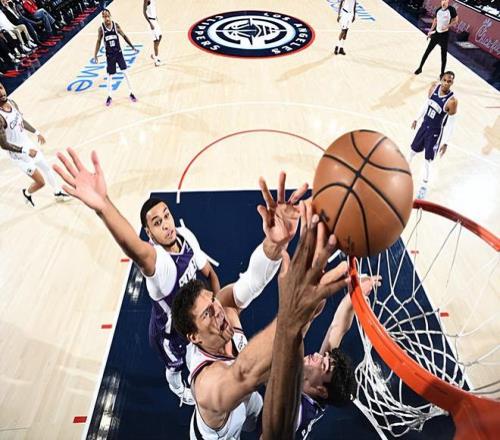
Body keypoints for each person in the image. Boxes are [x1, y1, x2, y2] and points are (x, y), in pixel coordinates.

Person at [172, 182, 350, 439]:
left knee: (258, 397)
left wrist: (275, 244)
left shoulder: (225, 311)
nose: (218, 310)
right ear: (194, 337)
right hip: (223, 431)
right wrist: (295, 310)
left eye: (212, 302)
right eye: (207, 314)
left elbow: (252, 281)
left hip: (248, 402)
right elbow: (244, 373)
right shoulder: (208, 385)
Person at [52, 148, 220, 405]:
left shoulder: (185, 236)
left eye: (166, 216)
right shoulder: (159, 264)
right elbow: (132, 245)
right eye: (157, 223)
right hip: (169, 333)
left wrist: (216, 305)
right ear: (149, 233)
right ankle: (178, 389)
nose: (166, 225)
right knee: (174, 366)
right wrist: (103, 206)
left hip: (192, 322)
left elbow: (209, 272)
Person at [0, 82, 68, 206]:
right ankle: (27, 193)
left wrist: (36, 132)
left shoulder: (12, 102)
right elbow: (4, 145)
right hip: (18, 154)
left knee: (46, 168)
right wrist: (26, 151)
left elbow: (21, 120)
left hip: (28, 145)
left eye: (0, 88)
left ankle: (57, 192)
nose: (1, 92)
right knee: (41, 183)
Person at [409, 71, 458, 199]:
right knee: (412, 150)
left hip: (435, 132)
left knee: (428, 160)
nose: (446, 83)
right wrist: (416, 118)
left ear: (452, 83)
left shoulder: (452, 102)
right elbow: (426, 104)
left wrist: (446, 142)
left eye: (449, 81)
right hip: (424, 125)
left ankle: (424, 186)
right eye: (445, 80)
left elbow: (451, 123)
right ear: (441, 79)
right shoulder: (433, 88)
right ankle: (404, 170)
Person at [93, 8, 137, 107]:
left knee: (125, 72)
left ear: (110, 16)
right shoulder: (101, 29)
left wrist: (132, 46)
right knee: (110, 75)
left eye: (108, 16)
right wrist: (95, 54)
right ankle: (109, 96)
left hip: (118, 53)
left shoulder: (116, 26)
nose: (106, 18)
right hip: (110, 55)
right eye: (104, 17)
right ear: (102, 17)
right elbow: (98, 41)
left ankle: (131, 92)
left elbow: (124, 36)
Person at [414, 0, 458, 76]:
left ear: (448, 1)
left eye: (445, 0)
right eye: (442, 0)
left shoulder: (451, 10)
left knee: (443, 55)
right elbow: (435, 21)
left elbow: (456, 20)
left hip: (444, 35)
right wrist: (430, 31)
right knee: (427, 51)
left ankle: (442, 73)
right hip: (436, 34)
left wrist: (448, 26)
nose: (443, 2)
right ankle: (420, 68)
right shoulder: (438, 10)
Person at [143, 0, 161, 67]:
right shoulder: (146, 0)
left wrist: (156, 17)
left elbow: (152, 9)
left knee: (160, 36)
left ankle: (154, 55)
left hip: (155, 20)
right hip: (151, 21)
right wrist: (150, 23)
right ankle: (156, 60)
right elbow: (144, 12)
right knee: (156, 41)